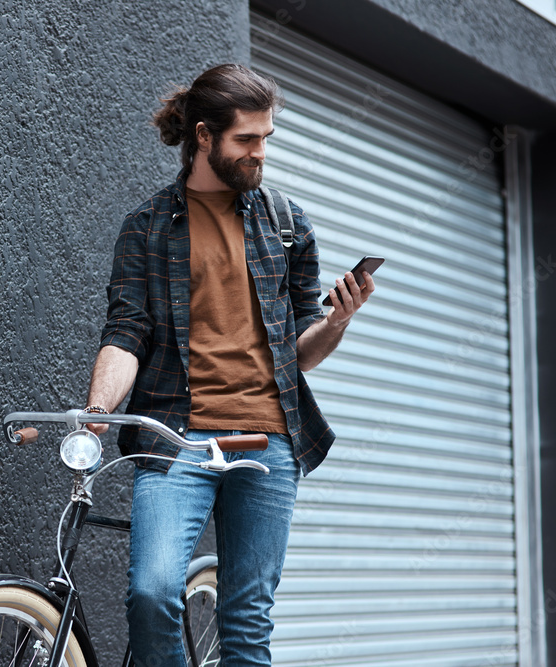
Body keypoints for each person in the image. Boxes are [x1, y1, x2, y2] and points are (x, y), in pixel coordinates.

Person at [84, 64, 375, 667]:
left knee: (246, 621)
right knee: (152, 591)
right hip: (176, 438)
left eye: (266, 138)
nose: (259, 153)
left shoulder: (288, 225)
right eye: (247, 139)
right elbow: (126, 331)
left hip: (268, 444)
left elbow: (300, 352)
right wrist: (97, 410)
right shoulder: (147, 228)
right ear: (204, 136)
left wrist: (338, 321)